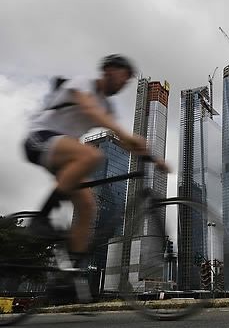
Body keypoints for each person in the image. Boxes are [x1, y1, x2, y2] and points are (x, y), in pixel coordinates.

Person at [24, 54, 169, 265]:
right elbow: (90, 109)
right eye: (124, 76)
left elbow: (124, 139)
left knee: (87, 206)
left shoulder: (107, 106)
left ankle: (70, 275)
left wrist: (154, 160)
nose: (124, 83)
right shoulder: (83, 84)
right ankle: (41, 218)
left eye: (128, 79)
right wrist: (126, 135)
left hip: (63, 154)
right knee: (91, 154)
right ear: (109, 70)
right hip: (39, 138)